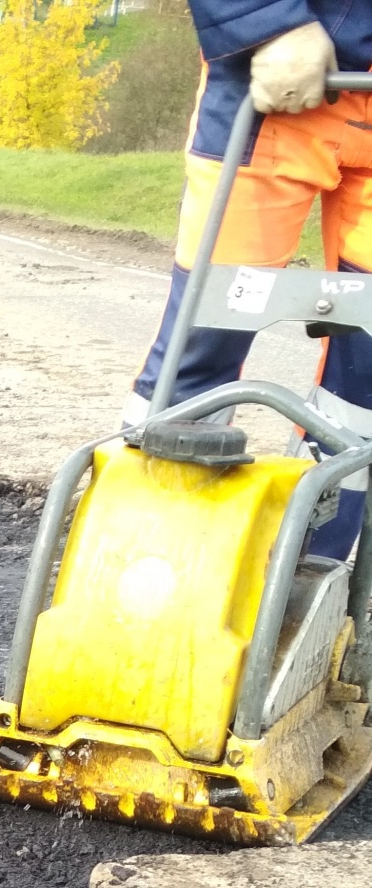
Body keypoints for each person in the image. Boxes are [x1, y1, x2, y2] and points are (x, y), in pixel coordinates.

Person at [125, 3, 372, 559]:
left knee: (366, 381)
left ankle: (309, 587)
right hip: (276, 91)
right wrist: (268, 21)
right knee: (203, 344)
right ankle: (142, 570)